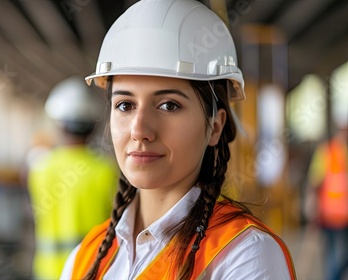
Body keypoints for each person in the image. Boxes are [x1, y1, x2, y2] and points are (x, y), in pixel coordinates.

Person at [60, 0, 296, 279]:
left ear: (216, 126)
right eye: (125, 105)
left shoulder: (246, 256)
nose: (139, 130)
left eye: (168, 105)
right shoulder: (85, 257)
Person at [28, 76, 118, 279]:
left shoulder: (40, 167)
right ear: (92, 126)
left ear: (58, 124)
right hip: (92, 268)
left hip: (48, 270)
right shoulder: (106, 169)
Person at [305, 122, 348, 280]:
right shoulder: (327, 151)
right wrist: (312, 210)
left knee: (338, 257)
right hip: (330, 214)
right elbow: (315, 182)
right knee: (333, 256)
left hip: (342, 215)